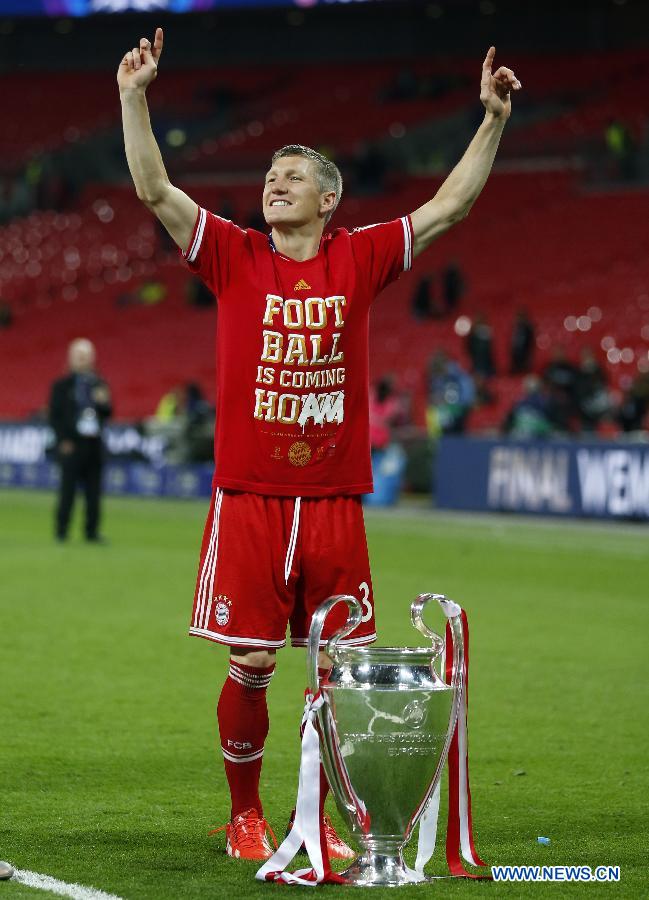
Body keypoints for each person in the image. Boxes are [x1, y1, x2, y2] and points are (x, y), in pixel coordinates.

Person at [118, 28, 521, 861]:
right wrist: (134, 96)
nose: (275, 186)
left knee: (341, 676)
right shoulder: (232, 254)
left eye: (293, 178)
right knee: (254, 659)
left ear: (328, 198)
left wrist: (490, 120)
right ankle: (245, 817)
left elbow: (450, 207)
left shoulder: (361, 256)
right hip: (252, 496)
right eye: (270, 177)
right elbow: (157, 190)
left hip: (335, 498)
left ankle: (331, 822)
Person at [48, 338, 112, 542]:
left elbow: (108, 412)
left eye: (86, 357)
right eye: (79, 356)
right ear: (71, 359)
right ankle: (61, 530)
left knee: (94, 493)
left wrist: (103, 403)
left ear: (92, 359)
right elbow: (55, 416)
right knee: (67, 491)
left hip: (93, 444)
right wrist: (63, 440)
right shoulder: (61, 386)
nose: (83, 361)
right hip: (72, 444)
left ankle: (91, 532)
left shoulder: (99, 384)